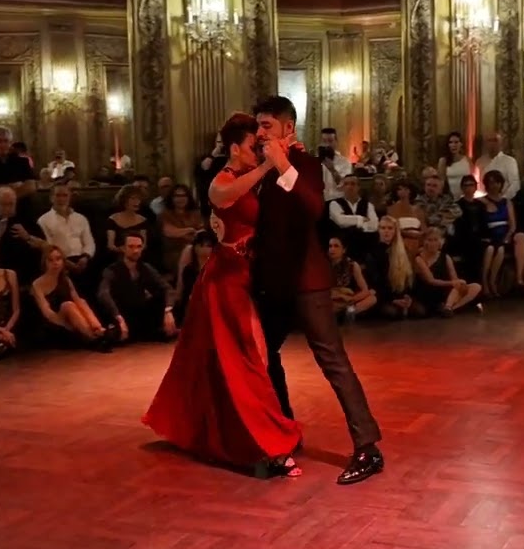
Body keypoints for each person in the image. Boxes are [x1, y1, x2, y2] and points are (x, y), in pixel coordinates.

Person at [142, 113, 303, 477]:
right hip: (225, 282)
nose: (257, 151)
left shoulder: (248, 178)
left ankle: (241, 437)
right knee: (244, 363)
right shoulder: (220, 183)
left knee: (240, 362)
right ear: (234, 148)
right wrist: (268, 165)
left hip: (245, 278)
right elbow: (230, 197)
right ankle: (266, 444)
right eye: (252, 147)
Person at [253, 96, 384, 485]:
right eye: (258, 126)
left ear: (288, 128)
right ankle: (285, 430)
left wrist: (283, 166)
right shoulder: (259, 168)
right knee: (264, 355)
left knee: (333, 362)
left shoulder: (306, 165)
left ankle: (368, 448)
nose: (259, 133)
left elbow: (313, 209)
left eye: (266, 126)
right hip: (271, 283)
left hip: (307, 282)